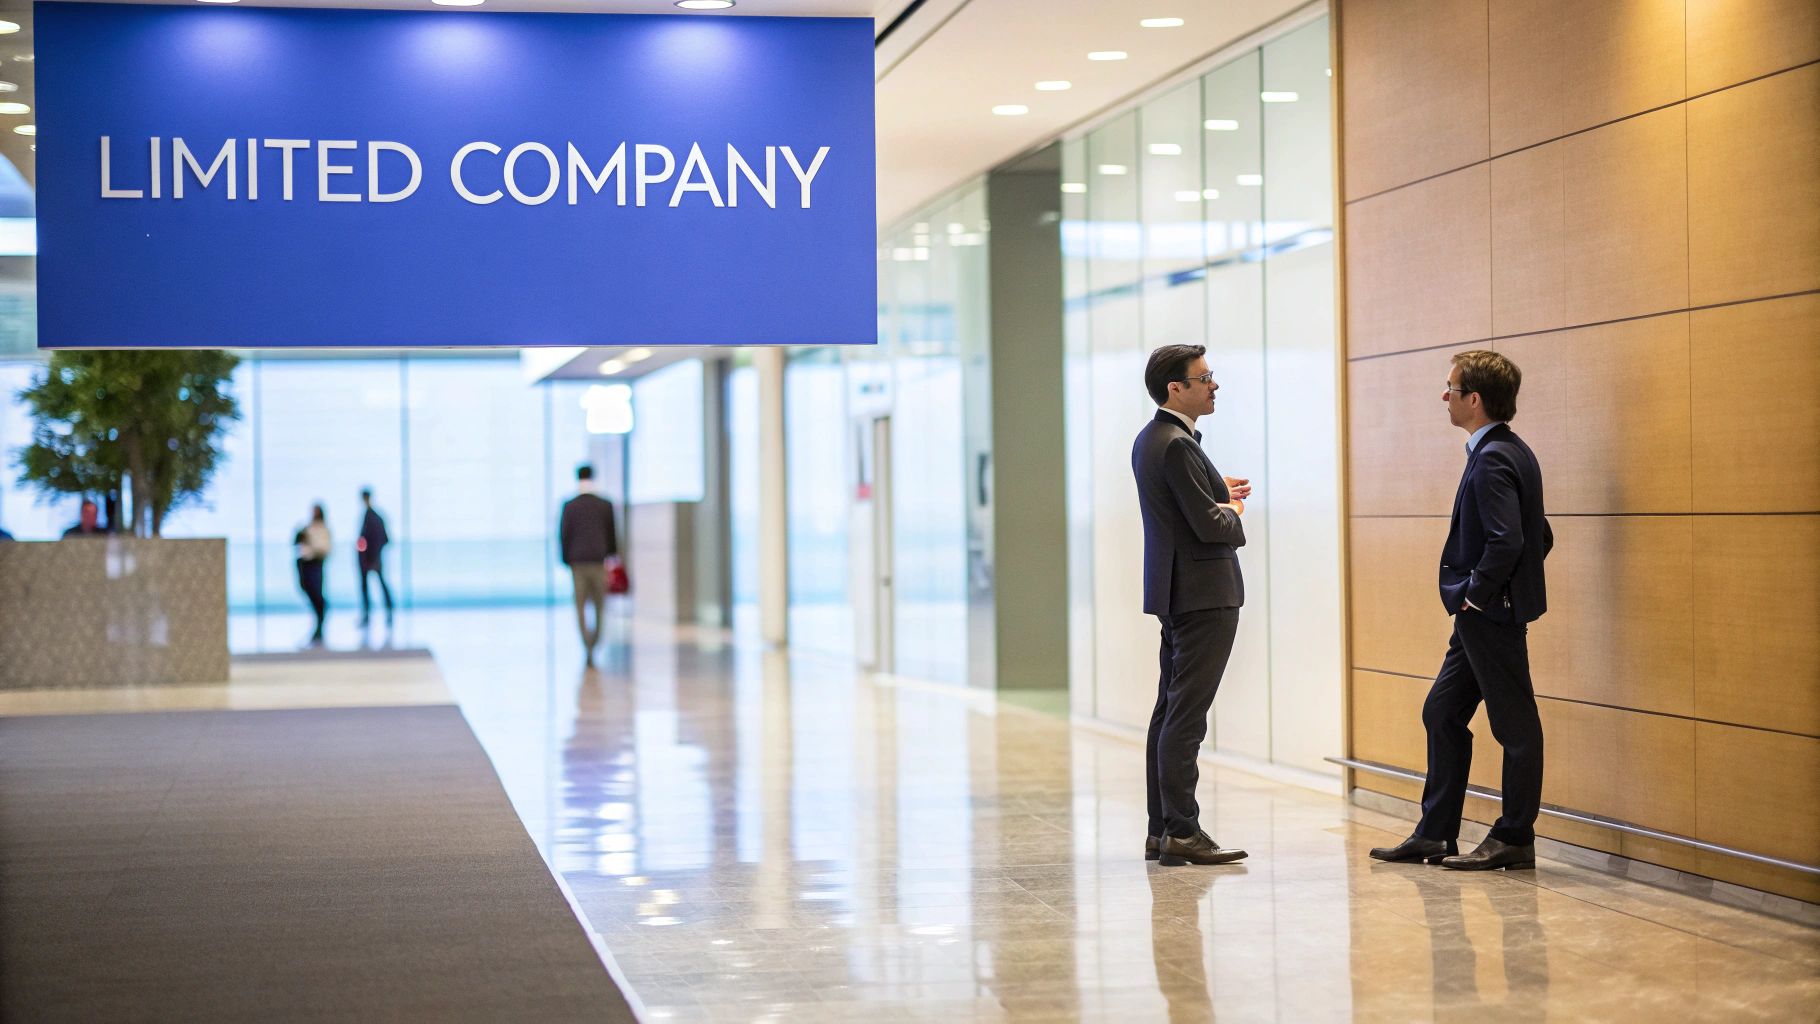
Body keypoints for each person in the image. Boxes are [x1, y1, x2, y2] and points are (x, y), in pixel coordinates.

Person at [1371, 350, 1553, 871]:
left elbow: (1511, 540)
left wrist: (1479, 593)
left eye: (1450, 388)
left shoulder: (1495, 456)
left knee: (1515, 726)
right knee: (1442, 712)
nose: (1443, 396)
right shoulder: (1507, 450)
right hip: (1484, 613)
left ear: (1474, 399)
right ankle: (1435, 833)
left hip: (1487, 613)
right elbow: (1540, 535)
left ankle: (1514, 836)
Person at [1132, 344, 1252, 867]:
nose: (1214, 385)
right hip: (1203, 595)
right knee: (1186, 717)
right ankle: (1182, 831)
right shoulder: (1177, 444)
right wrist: (1232, 506)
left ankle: (1163, 830)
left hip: (1178, 591)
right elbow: (1210, 525)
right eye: (1204, 378)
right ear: (1174, 388)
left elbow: (1181, 506)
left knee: (1169, 713)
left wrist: (1212, 489)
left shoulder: (1154, 438)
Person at [559, 465, 619, 667]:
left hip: (577, 563)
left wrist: (566, 559)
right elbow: (612, 535)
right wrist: (611, 556)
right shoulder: (605, 505)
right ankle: (595, 643)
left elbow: (564, 535)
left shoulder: (569, 506)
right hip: (598, 561)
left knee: (580, 606)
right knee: (600, 605)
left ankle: (587, 646)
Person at [294, 504, 332, 645]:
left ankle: (319, 625)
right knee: (309, 591)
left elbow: (325, 548)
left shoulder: (323, 529)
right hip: (305, 564)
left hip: (316, 564)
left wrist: (313, 544)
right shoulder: (307, 528)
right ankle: (318, 624)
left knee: (317, 595)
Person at [355, 488, 394, 628]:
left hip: (373, 559)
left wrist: (373, 555)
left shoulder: (374, 517)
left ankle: (388, 612)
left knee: (381, 585)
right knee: (368, 587)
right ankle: (369, 615)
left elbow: (384, 539)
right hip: (368, 559)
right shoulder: (370, 516)